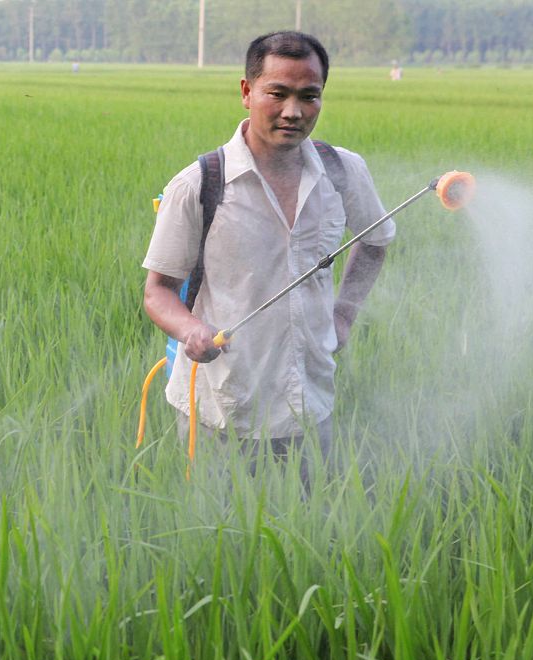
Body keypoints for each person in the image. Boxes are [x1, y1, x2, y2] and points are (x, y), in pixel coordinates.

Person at [141, 31, 394, 477]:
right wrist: (191, 329)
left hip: (310, 400)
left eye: (309, 96)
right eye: (277, 93)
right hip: (220, 408)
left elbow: (375, 241)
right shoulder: (200, 184)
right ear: (247, 92)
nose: (293, 111)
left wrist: (345, 315)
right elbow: (158, 292)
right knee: (220, 537)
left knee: (312, 528)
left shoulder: (343, 171)